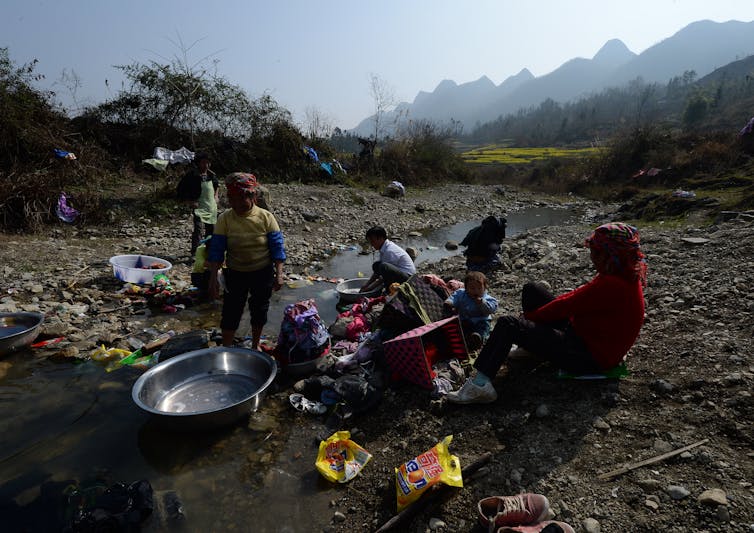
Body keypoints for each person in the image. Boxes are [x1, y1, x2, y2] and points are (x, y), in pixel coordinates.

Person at [448, 222, 647, 404]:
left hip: (589, 357)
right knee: (532, 289)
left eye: (595, 252)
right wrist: (532, 319)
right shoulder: (622, 273)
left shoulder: (612, 284)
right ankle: (532, 349)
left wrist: (528, 319)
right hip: (586, 338)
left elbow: (566, 306)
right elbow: (573, 298)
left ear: (610, 255)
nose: (592, 256)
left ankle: (481, 385)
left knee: (509, 324)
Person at [207, 173, 286, 349]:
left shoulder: (265, 217)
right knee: (231, 311)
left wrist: (279, 274)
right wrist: (213, 279)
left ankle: (255, 344)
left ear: (253, 197)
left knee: (259, 309)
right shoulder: (225, 218)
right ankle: (227, 348)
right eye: (233, 200)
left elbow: (277, 248)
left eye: (241, 199)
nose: (236, 204)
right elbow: (217, 250)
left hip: (262, 271)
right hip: (236, 272)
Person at [176, 153, 219, 255]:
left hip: (211, 206)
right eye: (203, 162)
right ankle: (195, 252)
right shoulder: (192, 175)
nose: (206, 165)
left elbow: (217, 185)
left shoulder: (211, 175)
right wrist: (189, 201)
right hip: (199, 206)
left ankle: (209, 251)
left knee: (211, 230)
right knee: (198, 229)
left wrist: (216, 197)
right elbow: (180, 189)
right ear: (198, 163)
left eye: (208, 163)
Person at [444, 271, 498, 351]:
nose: (476, 291)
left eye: (479, 288)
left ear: (485, 287)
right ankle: (466, 339)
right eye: (472, 288)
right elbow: (454, 298)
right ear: (466, 288)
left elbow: (490, 310)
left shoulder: (488, 299)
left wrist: (482, 303)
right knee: (461, 328)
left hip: (481, 320)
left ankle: (478, 339)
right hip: (464, 319)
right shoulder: (461, 294)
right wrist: (449, 303)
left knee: (482, 328)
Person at [360, 226, 417, 293]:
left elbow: (384, 275)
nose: (371, 245)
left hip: (408, 279)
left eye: (373, 241)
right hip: (401, 274)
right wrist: (367, 284)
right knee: (376, 265)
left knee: (383, 266)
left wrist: (370, 288)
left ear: (381, 238)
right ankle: (388, 286)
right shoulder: (384, 247)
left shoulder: (389, 251)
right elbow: (377, 273)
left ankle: (389, 289)